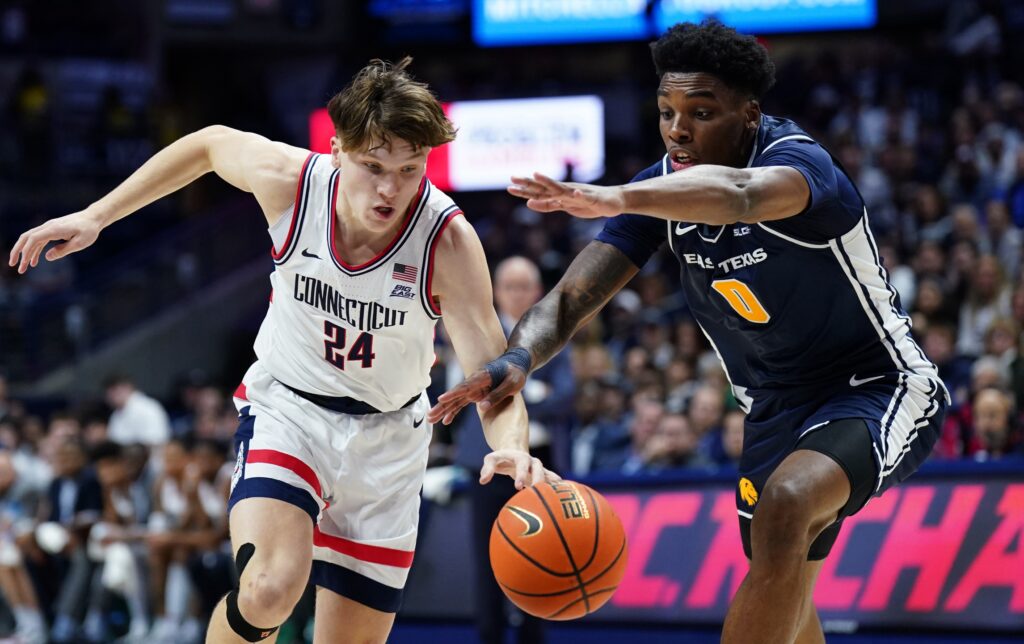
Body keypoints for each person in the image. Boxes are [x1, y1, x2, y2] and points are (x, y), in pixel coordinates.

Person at [430, 21, 948, 644]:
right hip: (773, 410)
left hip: (876, 384)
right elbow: (568, 300)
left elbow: (738, 195)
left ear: (749, 114)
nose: (679, 129)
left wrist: (618, 196)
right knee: (787, 587)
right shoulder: (658, 190)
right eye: (667, 111)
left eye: (702, 112)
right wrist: (518, 358)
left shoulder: (801, 165)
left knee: (785, 508)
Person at [9, 57, 554, 644]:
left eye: (410, 168)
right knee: (270, 588)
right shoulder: (293, 182)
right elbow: (209, 144)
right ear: (339, 148)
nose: (391, 188)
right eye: (373, 166)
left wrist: (513, 447)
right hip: (289, 411)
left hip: (390, 441)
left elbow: (490, 379)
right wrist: (96, 216)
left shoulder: (447, 240)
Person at [452, 256, 573, 644]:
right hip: (486, 466)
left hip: (541, 466)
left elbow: (567, 395)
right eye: (511, 286)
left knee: (539, 561)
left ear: (537, 292)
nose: (519, 294)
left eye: (526, 287)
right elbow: (475, 398)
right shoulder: (478, 335)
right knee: (489, 563)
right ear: (497, 291)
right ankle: (489, 636)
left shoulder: (554, 333)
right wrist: (533, 392)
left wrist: (511, 395)